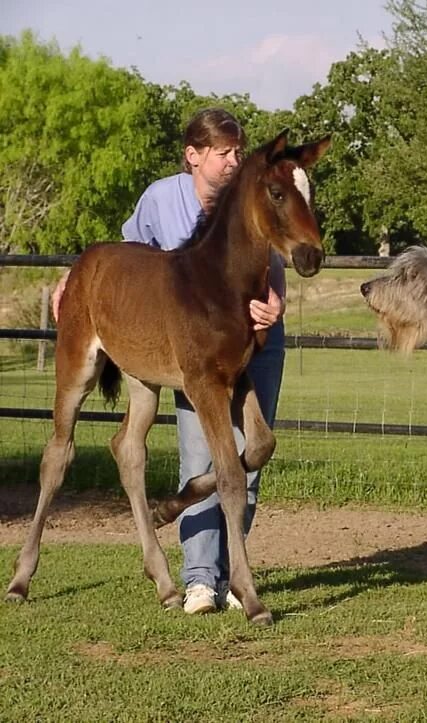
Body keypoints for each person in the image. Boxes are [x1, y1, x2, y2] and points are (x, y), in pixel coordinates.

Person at [52, 108, 286, 614]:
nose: (232, 161)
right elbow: (127, 256)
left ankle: (225, 568)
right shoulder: (162, 198)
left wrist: (277, 305)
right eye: (223, 153)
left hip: (251, 335)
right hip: (186, 341)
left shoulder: (248, 200)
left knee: (256, 452)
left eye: (237, 152)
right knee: (202, 452)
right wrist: (77, 287)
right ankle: (202, 577)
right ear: (193, 156)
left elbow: (274, 260)